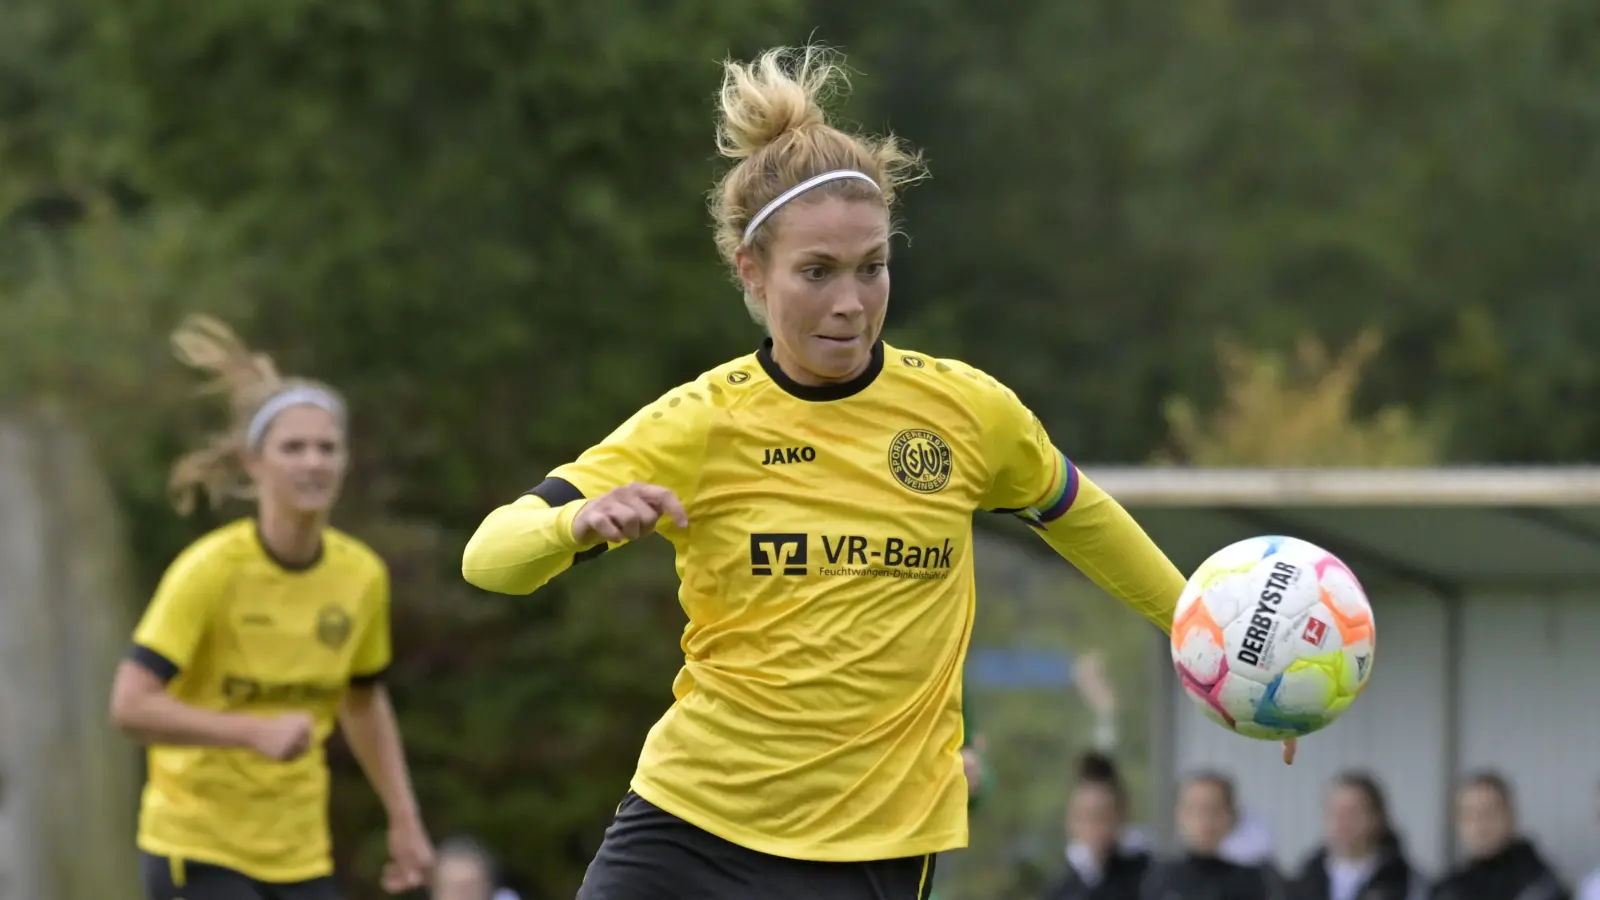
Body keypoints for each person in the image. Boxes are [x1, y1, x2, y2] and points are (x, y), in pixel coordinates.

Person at [461, 42, 1291, 900]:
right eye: (816, 273)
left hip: (873, 850)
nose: (850, 303)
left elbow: (1078, 514)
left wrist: (1211, 646)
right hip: (689, 826)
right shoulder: (701, 421)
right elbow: (489, 557)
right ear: (751, 272)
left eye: (872, 267)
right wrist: (572, 525)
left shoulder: (968, 412)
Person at [109, 315, 433, 900]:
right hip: (197, 847)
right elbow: (130, 707)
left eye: (327, 448)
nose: (313, 462)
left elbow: (362, 700)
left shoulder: (360, 575)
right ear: (254, 464)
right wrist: (248, 732)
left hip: (298, 855)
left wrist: (404, 819)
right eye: (294, 448)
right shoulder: (208, 571)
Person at [1285, 772, 1423, 900]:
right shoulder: (1305, 879)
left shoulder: (1405, 882)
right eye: (1334, 812)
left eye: (1353, 813)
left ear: (1376, 818)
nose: (1342, 822)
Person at [1430, 772, 1566, 900]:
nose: (1480, 824)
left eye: (1489, 813)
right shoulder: (1448, 891)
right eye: (1469, 815)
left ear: (1511, 817)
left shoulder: (1540, 886)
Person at [1141, 772, 1277, 900]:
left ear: (1232, 815)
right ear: (1179, 814)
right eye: (1193, 809)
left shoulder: (1253, 881)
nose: (1204, 820)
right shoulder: (1157, 878)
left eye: (1213, 809)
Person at [1041, 753, 1149, 900]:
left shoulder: (1145, 877)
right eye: (1085, 816)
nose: (1093, 828)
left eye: (1102, 816)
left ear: (1121, 817)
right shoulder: (1059, 887)